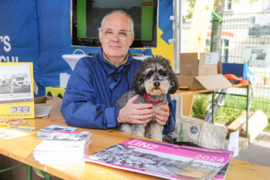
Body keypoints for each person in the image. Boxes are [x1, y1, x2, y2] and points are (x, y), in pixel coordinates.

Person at [61, 10, 175, 135]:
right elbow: (73, 110)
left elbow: (170, 118)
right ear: (100, 36)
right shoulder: (85, 67)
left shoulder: (145, 70)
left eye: (122, 33)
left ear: (131, 39)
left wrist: (165, 118)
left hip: (136, 146)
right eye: (109, 33)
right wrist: (118, 115)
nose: (115, 39)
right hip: (97, 143)